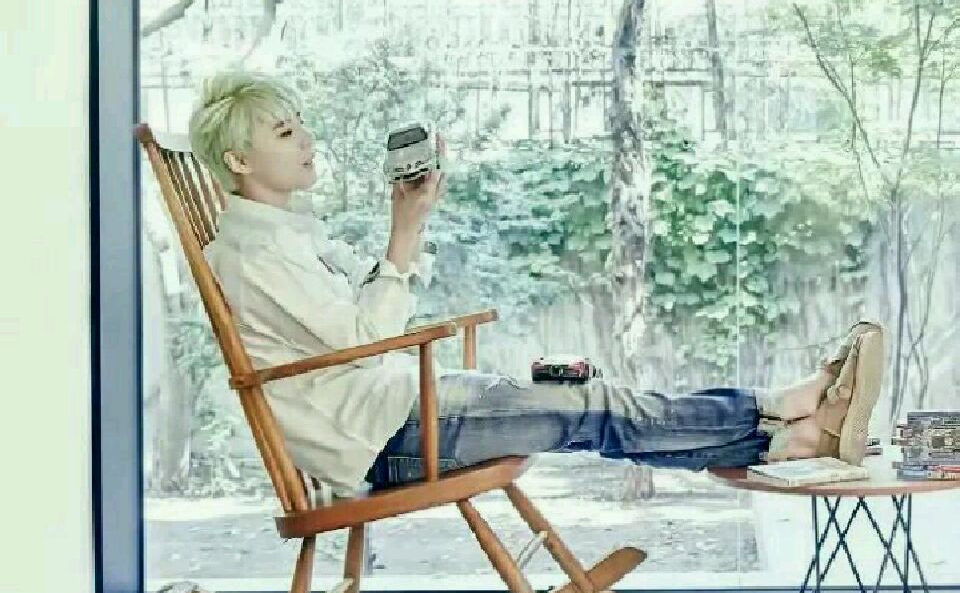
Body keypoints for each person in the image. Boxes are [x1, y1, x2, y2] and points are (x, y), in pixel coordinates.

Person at [188, 71, 884, 493]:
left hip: (399, 403)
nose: (307, 140)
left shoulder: (288, 233)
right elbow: (366, 336)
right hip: (384, 435)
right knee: (589, 404)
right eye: (286, 133)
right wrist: (404, 230)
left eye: (300, 125)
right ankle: (781, 414)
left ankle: (788, 437)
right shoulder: (254, 255)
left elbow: (359, 331)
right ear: (239, 160)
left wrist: (410, 223)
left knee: (580, 386)